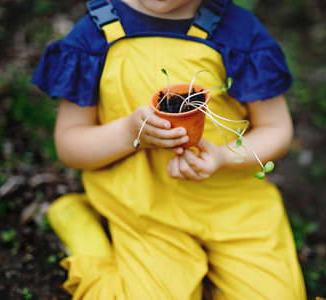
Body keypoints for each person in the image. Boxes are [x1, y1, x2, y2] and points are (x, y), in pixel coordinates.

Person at [32, 0, 306, 298]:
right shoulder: (95, 36)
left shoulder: (240, 33)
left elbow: (276, 128)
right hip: (145, 213)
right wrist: (128, 133)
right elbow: (69, 145)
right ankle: (79, 223)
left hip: (233, 207)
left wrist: (223, 156)